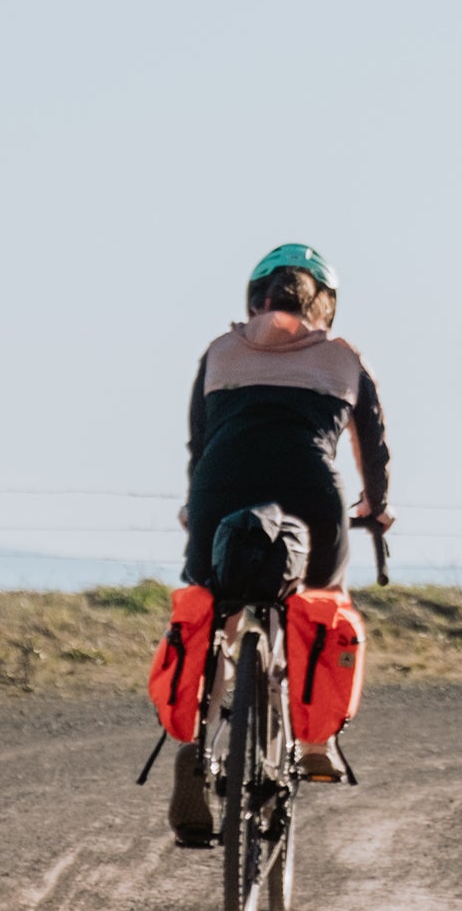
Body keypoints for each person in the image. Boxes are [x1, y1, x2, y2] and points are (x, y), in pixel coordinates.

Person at [170, 243, 394, 838]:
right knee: (323, 600)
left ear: (254, 297)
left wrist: (199, 505)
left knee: (215, 608)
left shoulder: (219, 352)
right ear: (327, 307)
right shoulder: (345, 360)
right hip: (310, 494)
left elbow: (203, 442)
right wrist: (376, 507)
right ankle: (316, 744)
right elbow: (372, 447)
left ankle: (195, 744)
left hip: (222, 488)